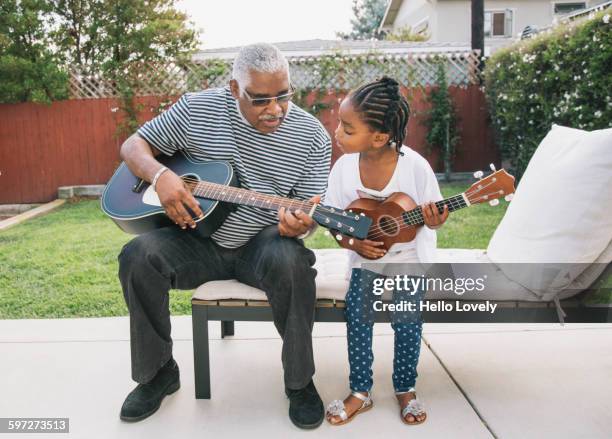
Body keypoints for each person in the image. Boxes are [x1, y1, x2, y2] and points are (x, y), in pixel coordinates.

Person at [117, 43, 331, 429]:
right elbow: (134, 146)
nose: (275, 109)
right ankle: (157, 373)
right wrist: (162, 176)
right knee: (137, 256)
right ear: (234, 89)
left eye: (283, 96)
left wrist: (302, 225)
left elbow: (311, 214)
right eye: (261, 99)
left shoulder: (312, 136)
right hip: (197, 239)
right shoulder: (198, 108)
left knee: (293, 262)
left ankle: (300, 383)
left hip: (263, 243)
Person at [323, 77, 448, 426]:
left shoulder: (415, 166)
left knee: (407, 322)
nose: (338, 132)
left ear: (378, 136)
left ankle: (406, 389)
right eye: (339, 124)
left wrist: (436, 220)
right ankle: (360, 392)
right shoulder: (344, 168)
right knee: (358, 318)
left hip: (408, 258)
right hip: (366, 258)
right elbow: (334, 221)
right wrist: (355, 243)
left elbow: (433, 216)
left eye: (347, 128)